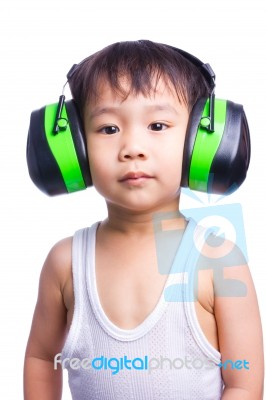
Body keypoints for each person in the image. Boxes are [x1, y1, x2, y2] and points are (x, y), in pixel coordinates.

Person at [24, 40, 264, 399]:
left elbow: (244, 383)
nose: (132, 147)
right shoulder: (65, 263)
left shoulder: (218, 261)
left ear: (200, 141)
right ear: (75, 150)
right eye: (108, 129)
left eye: (157, 125)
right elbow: (42, 358)